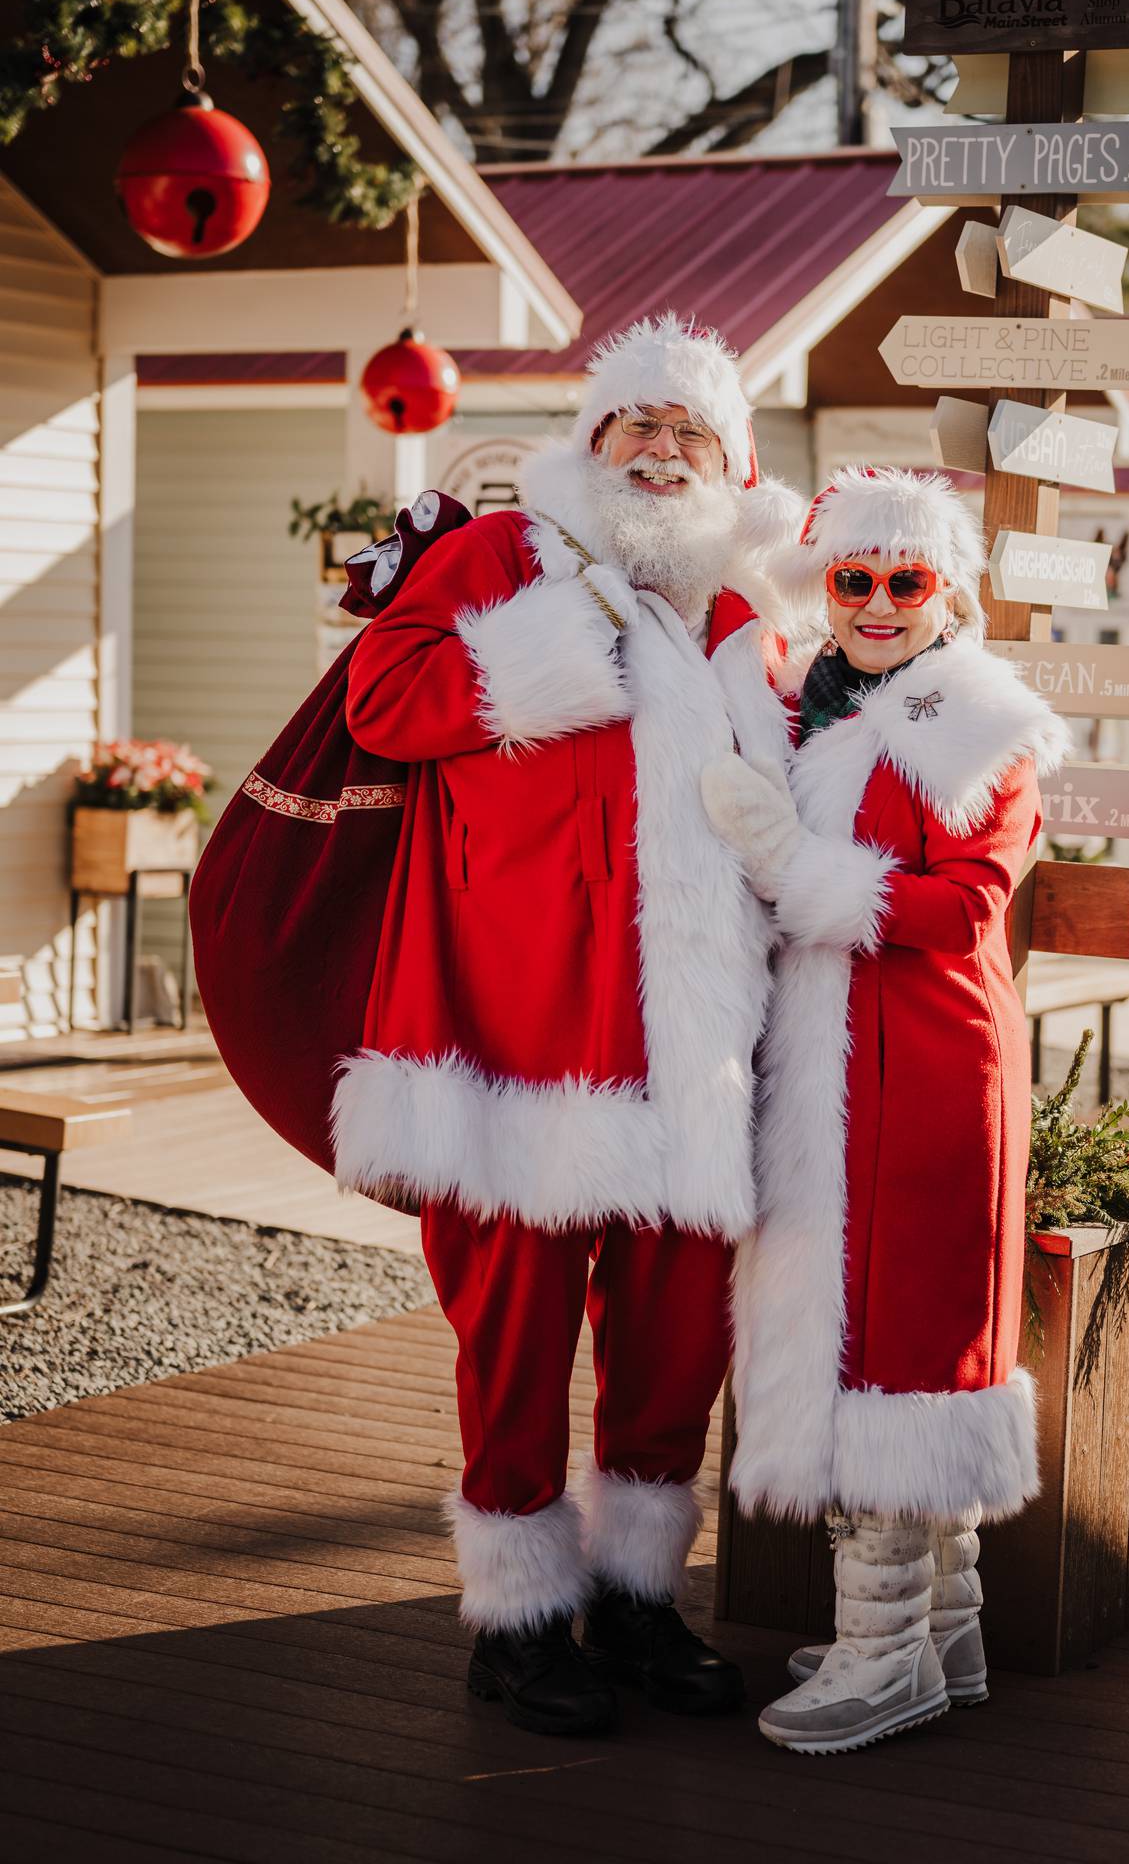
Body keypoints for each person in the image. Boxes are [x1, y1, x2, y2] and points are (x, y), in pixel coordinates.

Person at [340, 314, 797, 1738]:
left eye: (691, 437)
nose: (662, 454)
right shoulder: (500, 560)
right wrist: (575, 623)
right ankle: (521, 1618)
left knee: (674, 1347)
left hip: (691, 1055)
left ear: (733, 467)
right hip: (518, 1036)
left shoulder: (741, 622)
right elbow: (387, 700)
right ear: (592, 444)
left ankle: (639, 1602)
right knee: (517, 1341)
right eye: (636, 427)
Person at [701, 465, 1068, 1755]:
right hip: (839, 1060)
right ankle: (938, 1627)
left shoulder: (975, 720)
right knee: (878, 1325)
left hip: (919, 1067)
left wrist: (799, 870)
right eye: (853, 579)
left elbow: (968, 905)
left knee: (894, 1346)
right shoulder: (819, 702)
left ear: (947, 592)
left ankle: (881, 1656)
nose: (873, 602)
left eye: (902, 581)